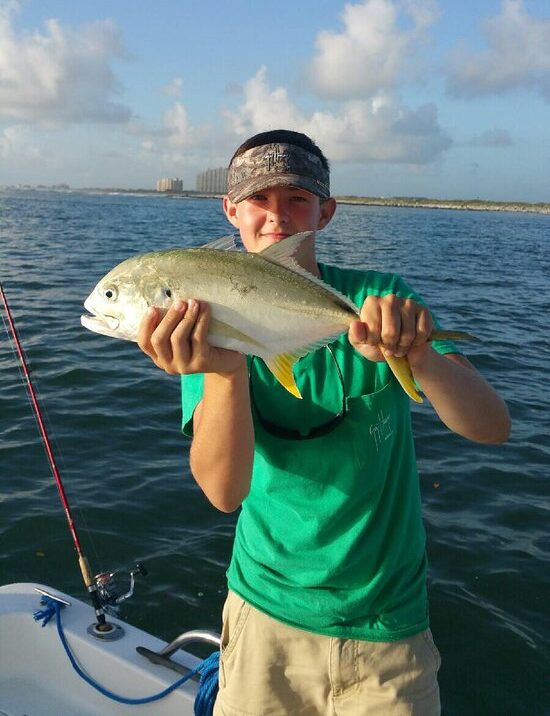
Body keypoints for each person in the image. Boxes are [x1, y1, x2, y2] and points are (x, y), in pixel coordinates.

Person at [137, 129, 510, 715]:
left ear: (326, 212)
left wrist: (419, 354)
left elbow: (491, 427)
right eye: (259, 200)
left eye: (297, 200)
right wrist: (227, 372)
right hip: (264, 620)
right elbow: (222, 493)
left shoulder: (379, 300)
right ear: (230, 209)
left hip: (389, 629)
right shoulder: (206, 318)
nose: (277, 217)